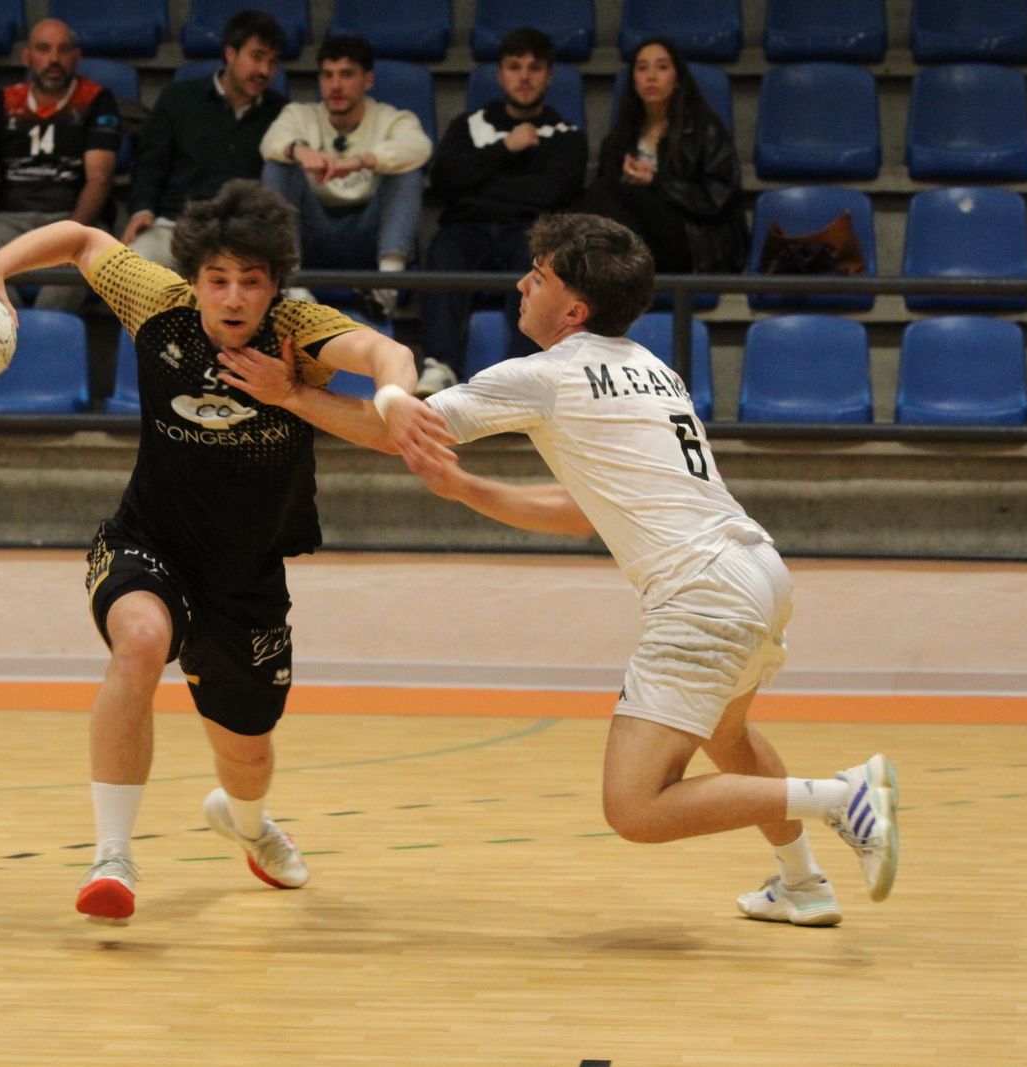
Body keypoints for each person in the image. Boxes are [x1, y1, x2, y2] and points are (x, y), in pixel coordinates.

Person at [234, 212, 900, 927]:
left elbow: (400, 429)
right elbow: (583, 511)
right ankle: (802, 882)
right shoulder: (653, 368)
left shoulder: (548, 374)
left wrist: (292, 394)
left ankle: (843, 797)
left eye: (539, 276)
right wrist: (466, 488)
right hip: (755, 569)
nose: (523, 285)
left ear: (574, 310)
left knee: (636, 807)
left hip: (701, 592)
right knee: (727, 733)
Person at [0, 180, 433, 924]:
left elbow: (387, 354)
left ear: (275, 286)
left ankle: (249, 824)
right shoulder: (156, 302)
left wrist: (329, 395)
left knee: (248, 755)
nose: (232, 298)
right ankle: (112, 856)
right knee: (139, 640)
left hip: (246, 576)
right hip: (149, 542)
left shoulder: (299, 332)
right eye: (217, 279)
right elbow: (79, 237)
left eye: (251, 282)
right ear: (193, 278)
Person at [415, 27, 587, 396]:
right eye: (514, 67)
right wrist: (506, 147)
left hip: (529, 231)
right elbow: (445, 181)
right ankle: (441, 365)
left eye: (534, 68)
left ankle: (523, 375)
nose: (524, 77)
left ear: (549, 76)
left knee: (542, 263)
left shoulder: (567, 135)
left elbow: (553, 195)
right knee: (444, 252)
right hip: (466, 229)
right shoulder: (469, 125)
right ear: (500, 75)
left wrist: (479, 187)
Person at [0, 18, 120, 313]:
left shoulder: (96, 100)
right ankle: (15, 330)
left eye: (63, 49)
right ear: (27, 56)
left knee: (84, 260)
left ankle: (44, 331)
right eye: (43, 49)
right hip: (9, 220)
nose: (53, 58)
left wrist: (72, 232)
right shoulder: (4, 100)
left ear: (76, 57)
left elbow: (99, 178)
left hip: (72, 218)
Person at [258, 34, 431, 317]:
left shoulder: (393, 118)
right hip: (313, 234)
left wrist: (360, 162)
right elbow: (270, 143)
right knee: (277, 166)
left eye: (346, 75)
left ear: (368, 80)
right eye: (328, 75)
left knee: (407, 170)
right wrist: (298, 150)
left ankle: (387, 286)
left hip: (369, 235)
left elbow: (420, 147)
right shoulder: (299, 114)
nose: (335, 86)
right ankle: (293, 283)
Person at [121, 10, 288, 268]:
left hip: (245, 238)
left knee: (294, 289)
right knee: (131, 266)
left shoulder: (281, 112)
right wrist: (142, 210)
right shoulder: (179, 98)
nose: (264, 70)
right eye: (256, 57)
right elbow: (150, 163)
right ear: (230, 53)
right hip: (176, 227)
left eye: (272, 62)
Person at [576, 37, 746, 276]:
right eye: (642, 68)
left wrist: (655, 182)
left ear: (677, 79)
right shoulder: (619, 138)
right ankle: (622, 271)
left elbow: (717, 198)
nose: (651, 76)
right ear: (633, 80)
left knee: (604, 193)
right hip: (639, 236)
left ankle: (622, 273)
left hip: (693, 239)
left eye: (662, 67)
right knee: (596, 196)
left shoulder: (704, 130)